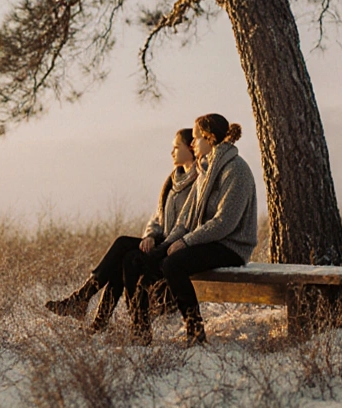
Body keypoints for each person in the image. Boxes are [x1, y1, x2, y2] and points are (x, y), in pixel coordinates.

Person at [44, 128, 200, 332]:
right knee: (124, 253)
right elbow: (157, 216)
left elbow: (186, 224)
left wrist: (161, 243)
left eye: (176, 147)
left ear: (191, 148)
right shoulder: (172, 180)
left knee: (124, 249)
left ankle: (86, 303)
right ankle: (92, 312)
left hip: (176, 247)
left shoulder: (199, 181)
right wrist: (151, 235)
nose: (172, 151)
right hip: (160, 241)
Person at [123, 113, 257, 346]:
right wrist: (165, 246)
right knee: (136, 260)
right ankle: (140, 332)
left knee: (173, 263)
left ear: (210, 138)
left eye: (196, 138)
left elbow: (224, 222)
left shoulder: (236, 170)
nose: (193, 143)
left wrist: (185, 243)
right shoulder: (205, 170)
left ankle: (195, 333)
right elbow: (184, 222)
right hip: (205, 241)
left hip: (230, 246)